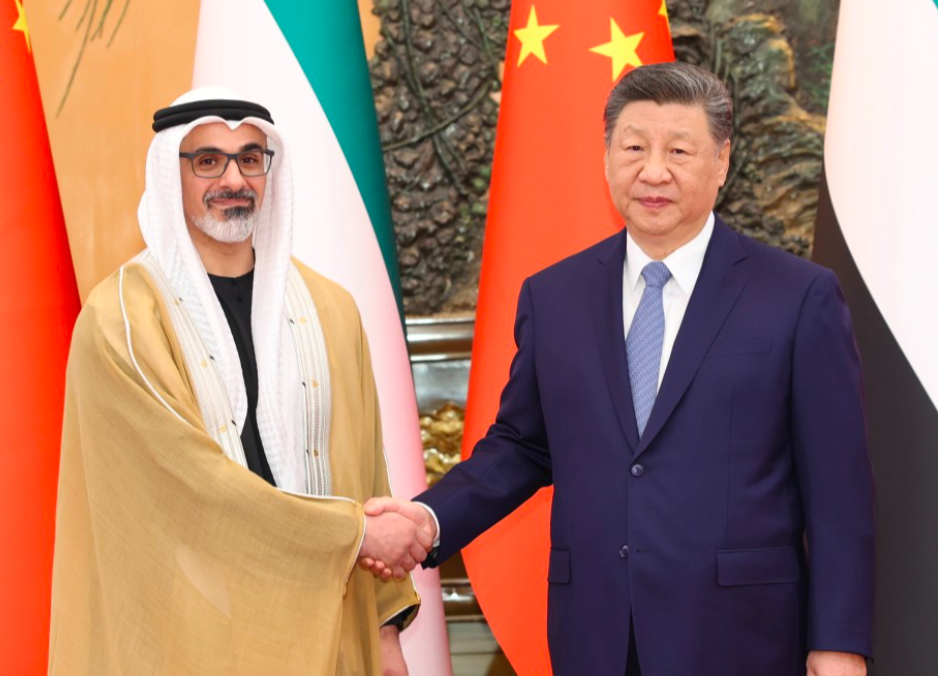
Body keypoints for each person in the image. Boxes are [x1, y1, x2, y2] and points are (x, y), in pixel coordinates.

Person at [363, 62, 875, 675]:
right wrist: (428, 519)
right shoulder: (555, 296)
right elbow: (522, 446)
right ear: (607, 157)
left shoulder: (797, 296)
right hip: (597, 635)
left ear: (722, 162)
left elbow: (838, 490)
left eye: (679, 150)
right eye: (634, 148)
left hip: (741, 636)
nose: (653, 171)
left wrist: (839, 643)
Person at [48, 88, 431, 676]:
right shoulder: (122, 319)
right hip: (191, 639)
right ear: (171, 172)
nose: (234, 180)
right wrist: (353, 535)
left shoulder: (330, 310)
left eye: (250, 158)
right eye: (208, 161)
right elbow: (194, 485)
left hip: (329, 634)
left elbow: (366, 475)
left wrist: (384, 636)